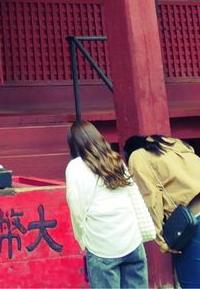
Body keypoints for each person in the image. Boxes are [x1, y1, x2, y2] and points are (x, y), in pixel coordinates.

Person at [124, 134, 200, 289]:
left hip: (198, 222)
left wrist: (160, 239)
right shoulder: (184, 151)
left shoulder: (138, 156)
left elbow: (151, 199)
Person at [65, 122, 150, 288]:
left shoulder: (76, 167)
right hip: (131, 239)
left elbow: (77, 211)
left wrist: (82, 240)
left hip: (102, 244)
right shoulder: (114, 160)